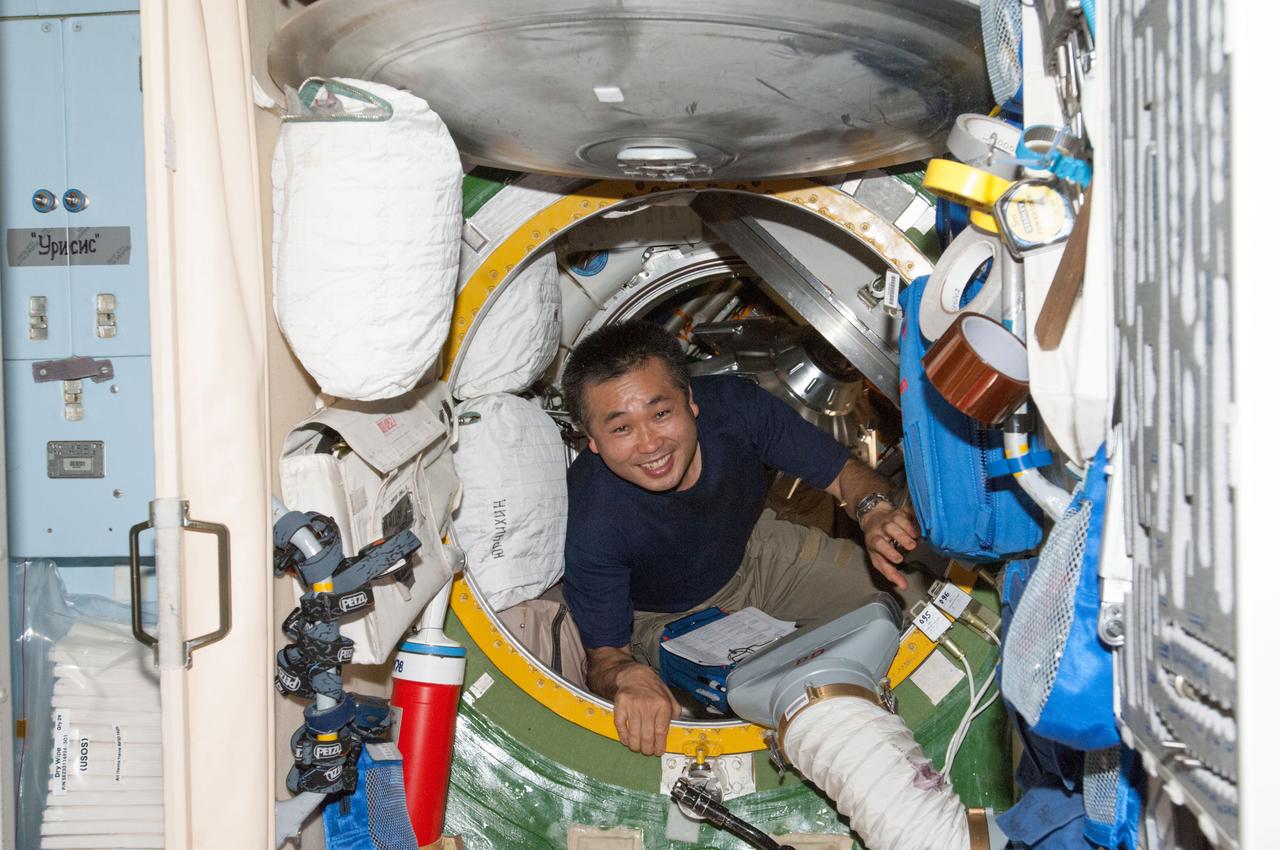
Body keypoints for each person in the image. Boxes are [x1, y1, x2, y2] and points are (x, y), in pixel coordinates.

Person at [561, 321, 921, 755]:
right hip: (664, 616)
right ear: (593, 441)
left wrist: (874, 511)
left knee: (915, 603)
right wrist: (626, 676)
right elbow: (604, 658)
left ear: (690, 400)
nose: (650, 444)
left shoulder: (737, 408)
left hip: (752, 552)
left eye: (661, 414)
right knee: (759, 702)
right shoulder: (592, 519)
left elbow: (844, 474)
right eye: (621, 429)